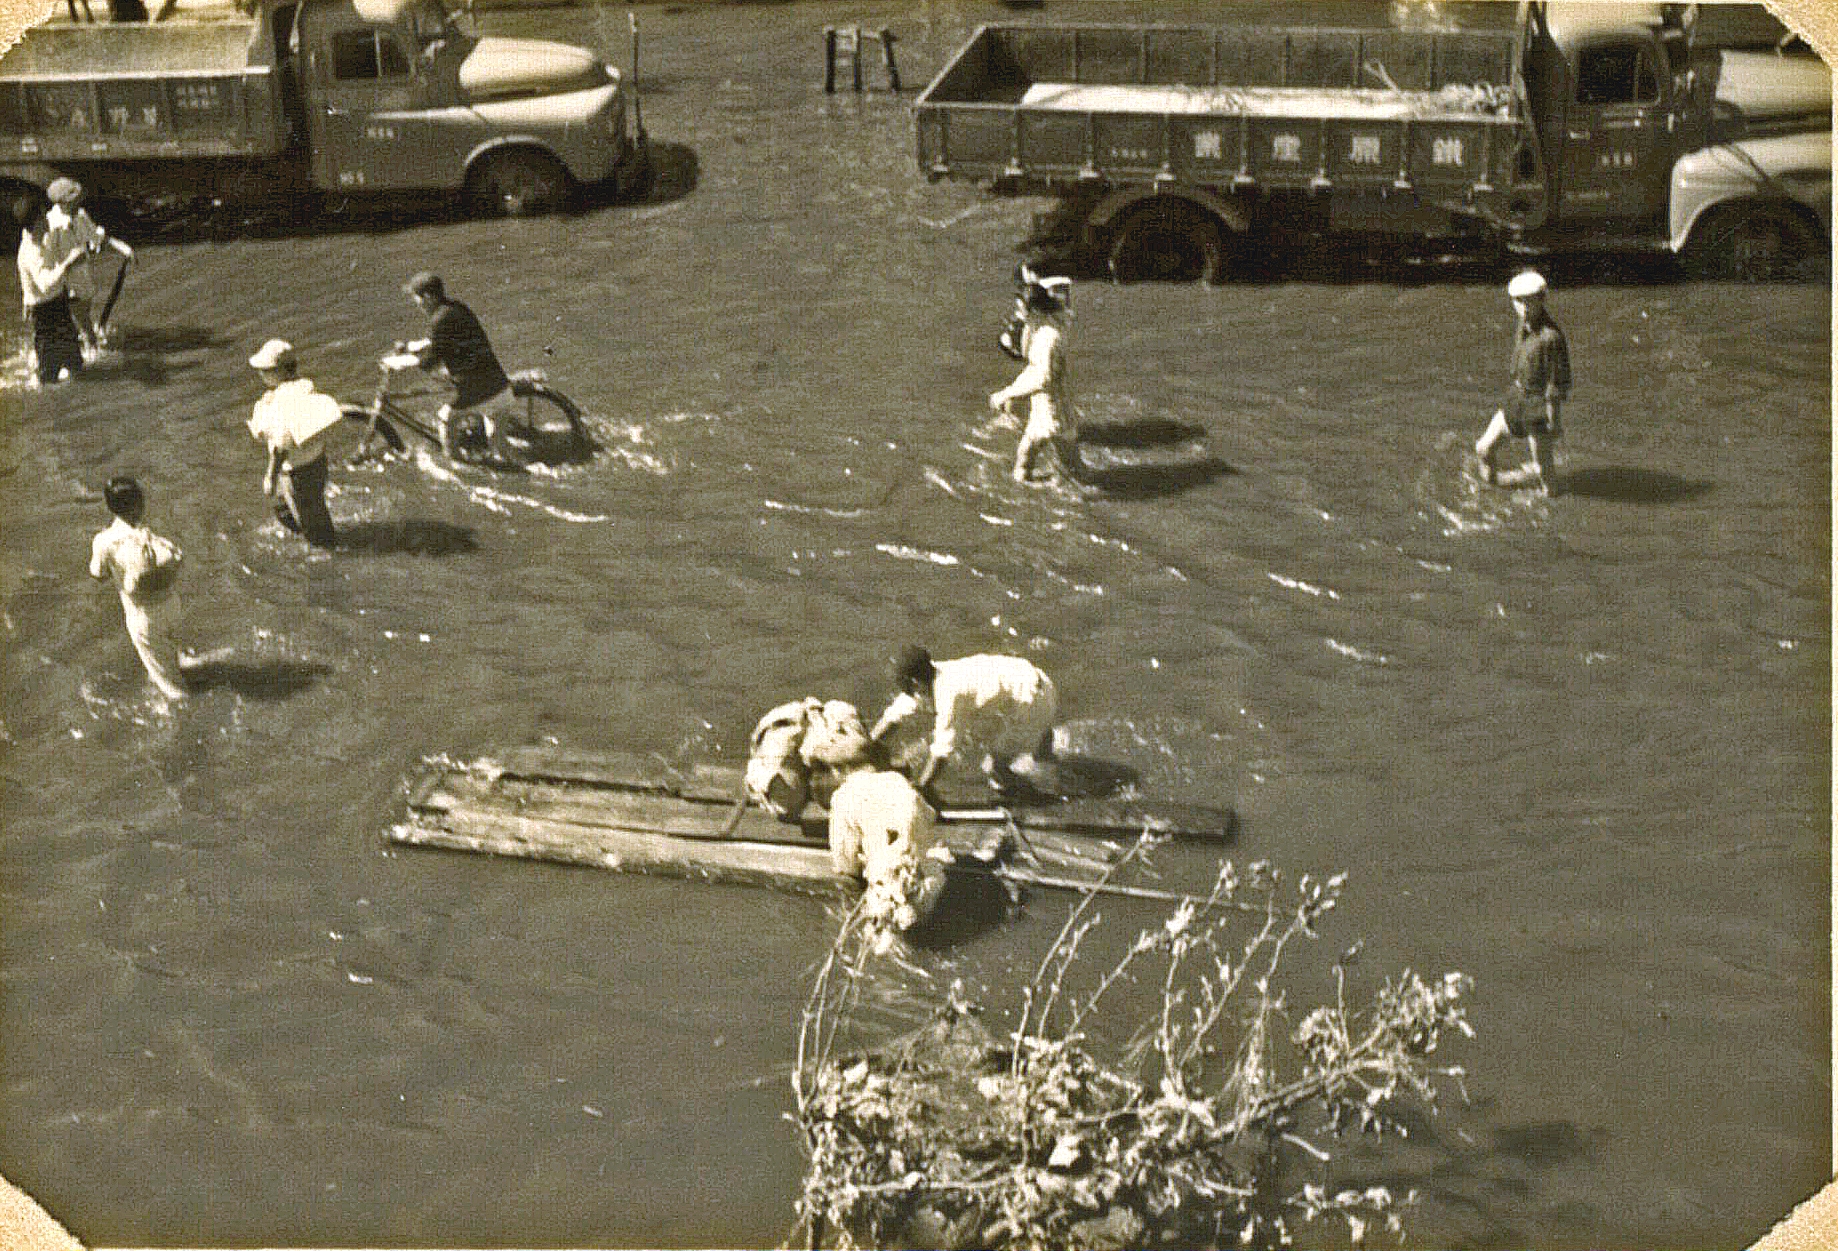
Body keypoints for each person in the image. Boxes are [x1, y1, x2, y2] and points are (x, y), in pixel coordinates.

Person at [869, 646, 1059, 795]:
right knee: (1027, 734)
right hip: (1032, 679)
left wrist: (920, 788)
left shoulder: (950, 694)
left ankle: (1035, 792)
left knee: (993, 769)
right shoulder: (933, 671)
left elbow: (942, 751)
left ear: (915, 683)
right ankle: (1044, 751)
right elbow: (894, 715)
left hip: (1034, 699)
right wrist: (867, 745)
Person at [401, 271, 519, 461]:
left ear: (428, 297)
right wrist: (415, 346)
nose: (417, 303)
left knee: (444, 418)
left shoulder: (439, 319)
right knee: (500, 450)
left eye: (417, 297)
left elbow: (432, 360)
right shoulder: (455, 308)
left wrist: (404, 362)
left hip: (485, 388)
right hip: (494, 379)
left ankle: (456, 467)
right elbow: (441, 340)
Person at [89, 476, 188, 700]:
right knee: (173, 656)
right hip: (173, 604)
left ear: (110, 507)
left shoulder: (105, 541)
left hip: (144, 617)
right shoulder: (150, 532)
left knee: (172, 690)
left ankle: (192, 717)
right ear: (140, 504)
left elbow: (98, 575)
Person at [1475, 269, 1571, 496]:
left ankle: (1550, 498)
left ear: (1542, 300)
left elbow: (1557, 383)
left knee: (1543, 470)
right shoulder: (1523, 323)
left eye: (1530, 302)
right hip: (1516, 398)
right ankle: (1490, 486)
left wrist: (1554, 422)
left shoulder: (1552, 338)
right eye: (1519, 302)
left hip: (1538, 408)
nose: (1525, 308)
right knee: (1483, 448)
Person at [247, 338, 341, 547]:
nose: (260, 374)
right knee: (283, 507)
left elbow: (280, 447)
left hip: (299, 472)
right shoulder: (305, 388)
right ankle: (308, 530)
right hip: (317, 462)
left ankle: (329, 553)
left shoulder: (284, 402)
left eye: (264, 370)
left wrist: (270, 477)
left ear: (279, 372)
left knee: (315, 527)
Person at [989, 278, 1076, 484]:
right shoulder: (1046, 323)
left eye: (1021, 310)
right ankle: (1049, 486)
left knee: (1071, 472)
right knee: (1033, 462)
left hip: (1052, 412)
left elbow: (1043, 379)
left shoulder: (1049, 338)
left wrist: (1007, 393)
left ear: (1035, 312)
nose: (1018, 314)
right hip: (1050, 408)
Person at [43, 178, 133, 360]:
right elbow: (47, 262)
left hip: (83, 279)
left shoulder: (81, 216)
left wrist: (123, 248)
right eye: (75, 198)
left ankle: (85, 349)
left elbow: (97, 238)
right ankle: (92, 357)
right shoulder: (51, 226)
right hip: (67, 284)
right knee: (84, 325)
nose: (80, 200)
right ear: (63, 202)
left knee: (83, 321)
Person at [15, 198, 86, 386]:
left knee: (76, 364)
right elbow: (45, 283)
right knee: (49, 375)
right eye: (43, 216)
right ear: (37, 222)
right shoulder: (30, 252)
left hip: (58, 302)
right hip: (44, 312)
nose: (48, 219)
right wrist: (68, 263)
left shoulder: (38, 235)